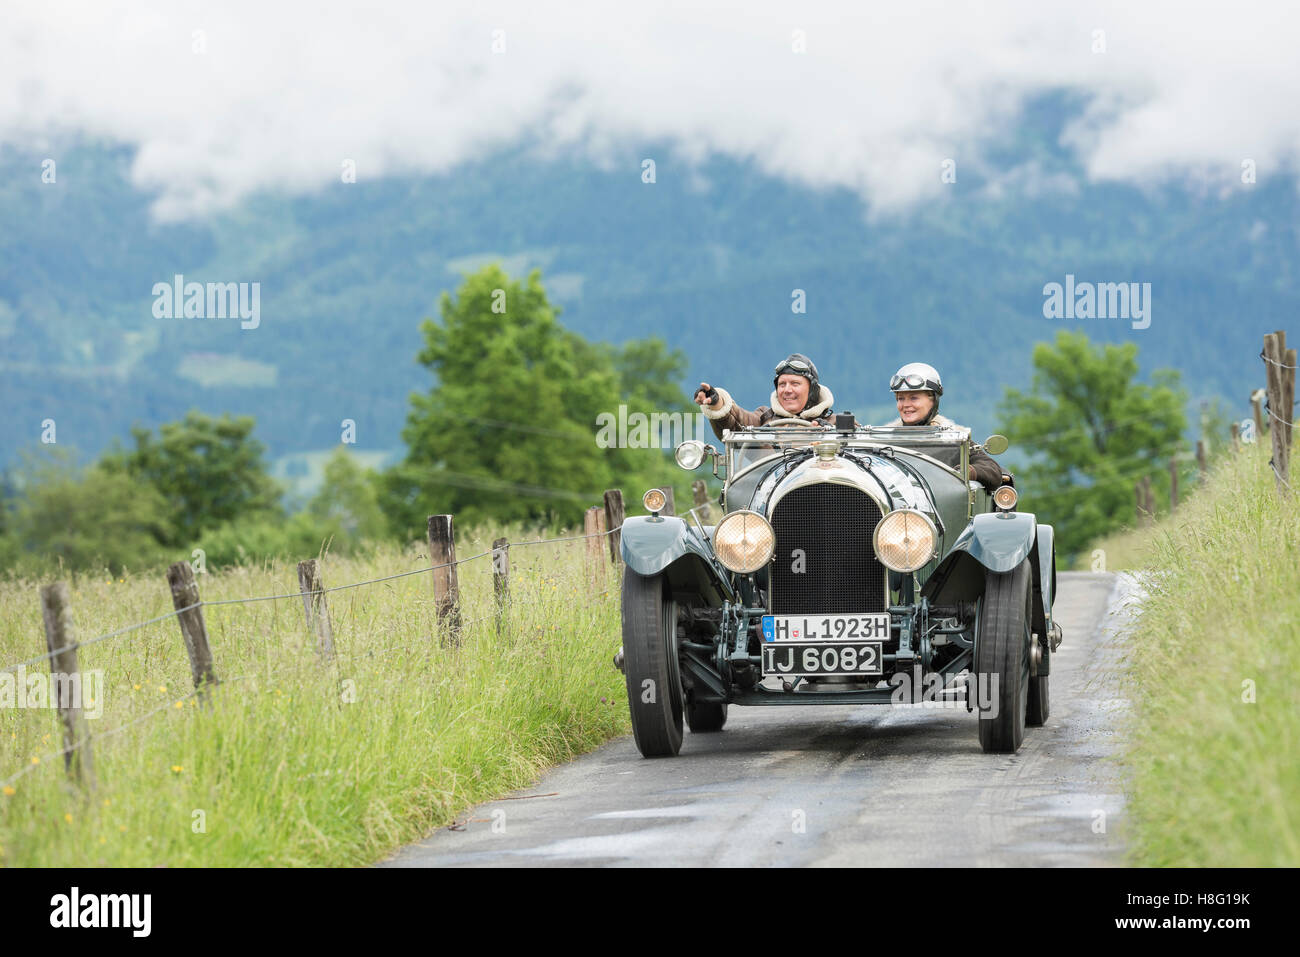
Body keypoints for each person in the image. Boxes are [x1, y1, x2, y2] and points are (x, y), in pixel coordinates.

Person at [885, 362, 1006, 492]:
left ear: (933, 400)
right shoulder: (882, 439)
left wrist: (965, 472)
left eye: (914, 398)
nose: (905, 404)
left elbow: (992, 470)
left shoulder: (953, 439)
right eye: (900, 398)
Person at [694, 353, 835, 439]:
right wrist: (717, 402)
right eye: (782, 384)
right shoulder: (764, 418)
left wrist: (830, 435)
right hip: (769, 487)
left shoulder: (835, 423)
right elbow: (736, 423)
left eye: (795, 383)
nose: (787, 390)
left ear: (812, 390)